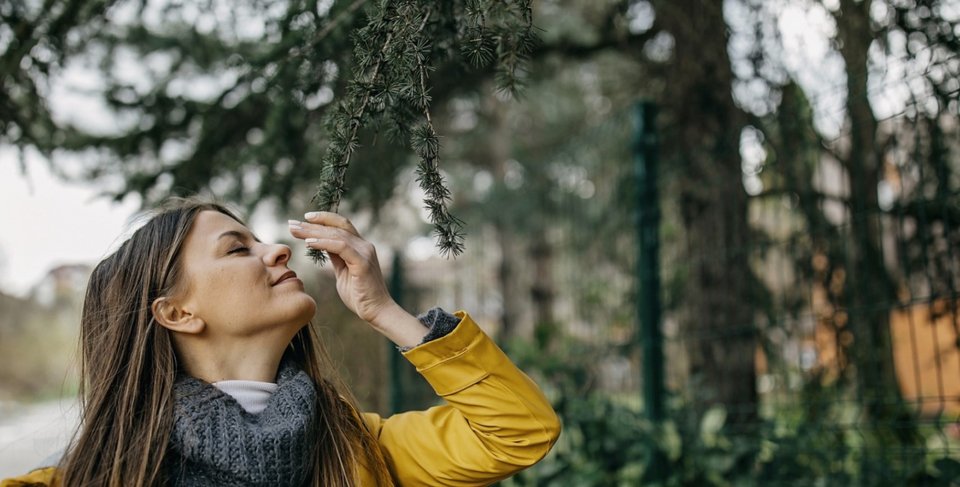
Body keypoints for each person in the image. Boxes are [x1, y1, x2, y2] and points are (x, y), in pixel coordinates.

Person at [0, 199, 560, 486]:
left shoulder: (358, 448)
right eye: (237, 249)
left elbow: (519, 432)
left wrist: (384, 312)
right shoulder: (94, 475)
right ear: (177, 313)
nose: (278, 250)